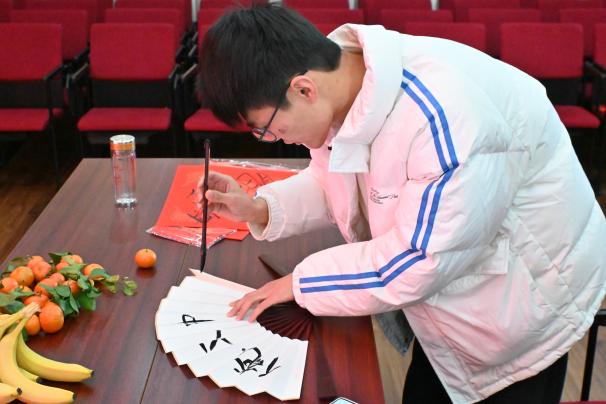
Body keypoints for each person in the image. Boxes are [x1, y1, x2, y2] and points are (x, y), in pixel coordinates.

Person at [196, 4, 606, 403]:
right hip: (458, 290)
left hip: (522, 300)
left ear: (303, 89)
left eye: (267, 129)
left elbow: (419, 259)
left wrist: (299, 283)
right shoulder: (343, 84)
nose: (276, 140)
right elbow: (334, 180)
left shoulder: (443, 119)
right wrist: (259, 208)